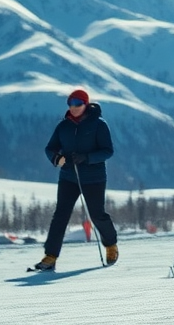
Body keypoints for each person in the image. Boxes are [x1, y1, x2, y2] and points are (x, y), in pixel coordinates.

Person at [32, 88, 119, 271]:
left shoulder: (99, 125)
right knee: (60, 215)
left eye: (78, 104)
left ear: (85, 104)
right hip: (68, 177)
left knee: (97, 214)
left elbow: (107, 151)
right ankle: (50, 256)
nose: (74, 107)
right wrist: (56, 158)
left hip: (94, 177)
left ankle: (111, 245)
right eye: (70, 104)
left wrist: (86, 158)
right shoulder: (63, 126)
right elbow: (50, 148)